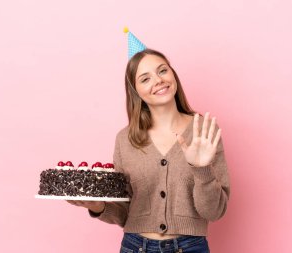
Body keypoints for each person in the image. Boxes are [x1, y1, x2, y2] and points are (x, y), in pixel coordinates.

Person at [67, 47, 230, 253]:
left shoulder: (204, 132)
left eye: (162, 71)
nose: (158, 80)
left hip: (190, 247)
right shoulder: (125, 140)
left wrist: (201, 169)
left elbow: (214, 212)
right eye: (145, 79)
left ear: (173, 75)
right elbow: (125, 212)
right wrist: (98, 206)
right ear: (135, 91)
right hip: (136, 247)